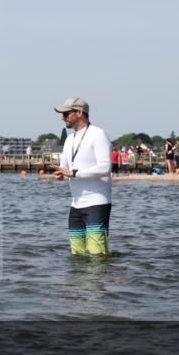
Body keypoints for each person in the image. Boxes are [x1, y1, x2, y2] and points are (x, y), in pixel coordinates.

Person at [48, 97, 113, 256]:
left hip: (97, 203)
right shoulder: (69, 139)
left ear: (79, 113)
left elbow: (105, 167)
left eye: (66, 113)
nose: (62, 117)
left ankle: (99, 280)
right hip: (76, 205)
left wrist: (74, 173)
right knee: (76, 255)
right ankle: (78, 281)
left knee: (97, 255)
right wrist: (60, 174)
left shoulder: (98, 134)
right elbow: (65, 169)